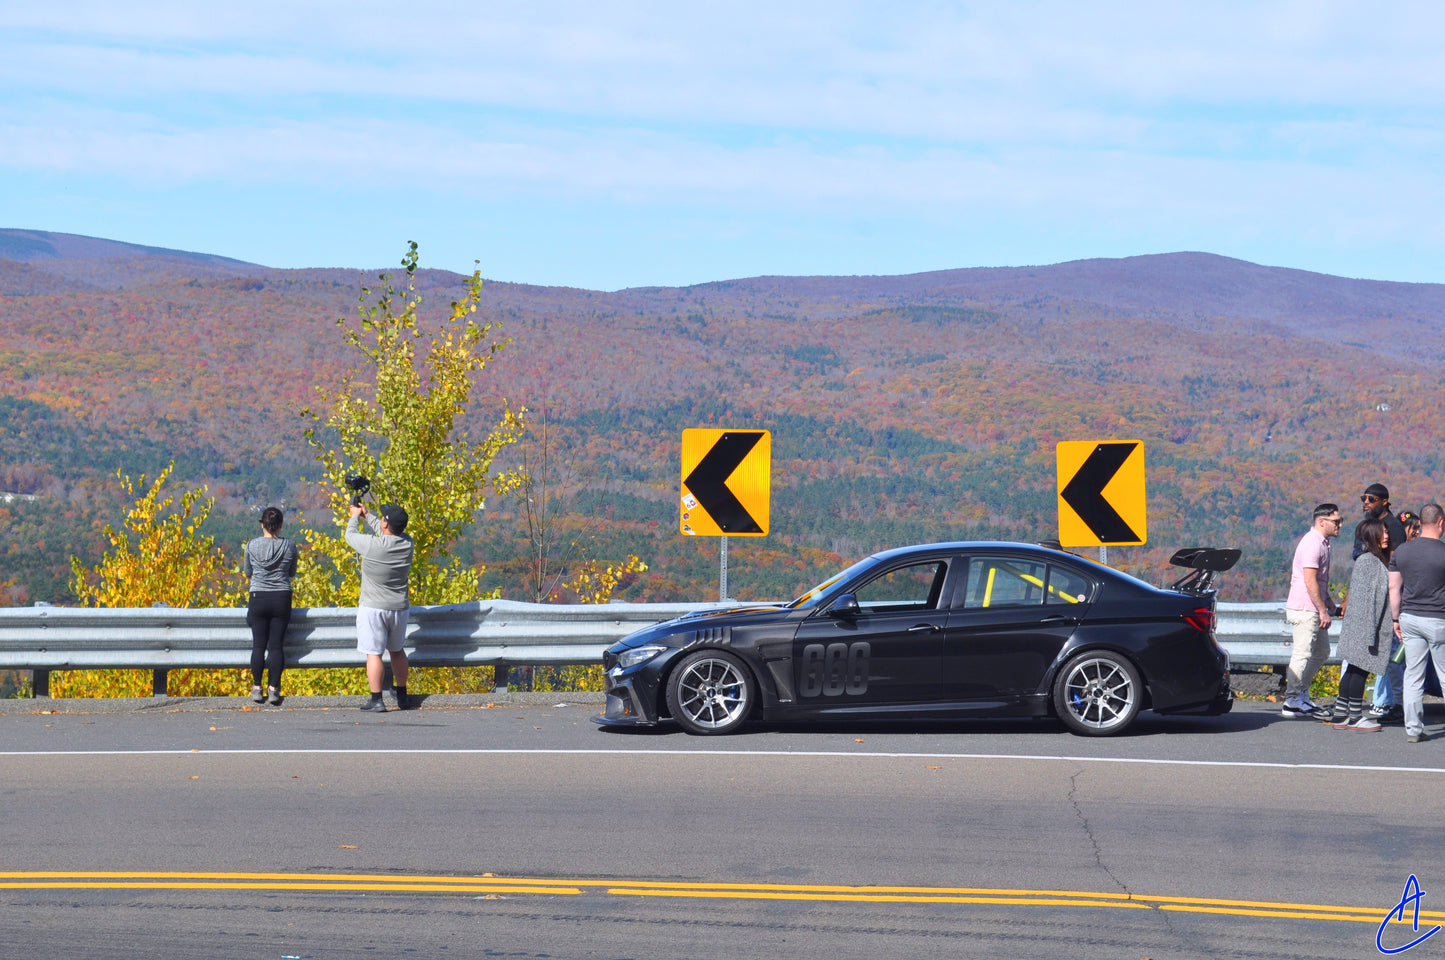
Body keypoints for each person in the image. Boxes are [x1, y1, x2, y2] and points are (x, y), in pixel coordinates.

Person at [346, 501, 415, 712]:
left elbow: (350, 536)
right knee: (397, 651)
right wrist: (369, 516)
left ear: (386, 524)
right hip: (399, 608)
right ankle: (402, 695)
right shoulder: (407, 543)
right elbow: (386, 531)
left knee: (374, 654)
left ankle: (377, 700)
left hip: (373, 607)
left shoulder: (372, 546)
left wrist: (355, 516)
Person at [1389, 502, 1445, 743]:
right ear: (1441, 523)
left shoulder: (1402, 551)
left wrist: (1395, 619)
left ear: (1420, 523)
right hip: (1438, 618)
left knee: (1413, 675)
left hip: (1409, 617)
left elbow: (1393, 587)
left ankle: (1413, 729)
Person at [1327, 518, 1391, 731]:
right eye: (1382, 532)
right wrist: (1371, 632)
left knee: (1354, 669)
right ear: (1372, 535)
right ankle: (1355, 716)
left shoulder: (1367, 560)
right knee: (1360, 670)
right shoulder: (1369, 562)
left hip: (1360, 626)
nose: (1386, 536)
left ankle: (1340, 715)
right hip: (1365, 627)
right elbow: (1369, 600)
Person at [1282, 503, 1343, 719]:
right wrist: (1322, 610)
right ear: (1321, 521)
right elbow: (1309, 580)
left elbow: (1320, 580)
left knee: (1321, 652)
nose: (1340, 525)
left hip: (1313, 608)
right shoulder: (1312, 544)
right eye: (1336, 521)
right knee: (1302, 653)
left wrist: (1329, 605)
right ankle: (1291, 701)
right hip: (1304, 608)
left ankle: (1301, 694)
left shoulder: (1323, 543)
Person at [1366, 510, 1419, 724]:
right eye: (1412, 528)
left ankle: (1387, 701)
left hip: (1398, 613)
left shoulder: (1401, 553)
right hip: (1394, 614)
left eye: (1417, 527)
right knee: (1392, 661)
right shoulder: (1398, 554)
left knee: (1392, 661)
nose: (1416, 531)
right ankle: (1386, 701)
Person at [244, 506, 298, 705]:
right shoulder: (289, 546)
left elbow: (248, 572)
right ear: (280, 525)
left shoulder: (251, 545)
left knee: (258, 645)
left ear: (262, 524)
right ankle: (274, 689)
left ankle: (257, 688)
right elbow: (291, 572)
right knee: (276, 646)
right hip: (281, 597)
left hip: (258, 596)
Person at [1352, 483, 1407, 560]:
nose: (1366, 502)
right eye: (1364, 498)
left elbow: (1394, 561)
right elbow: (1357, 553)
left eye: (1371, 499)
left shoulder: (1394, 527)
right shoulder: (1363, 526)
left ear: (1384, 502)